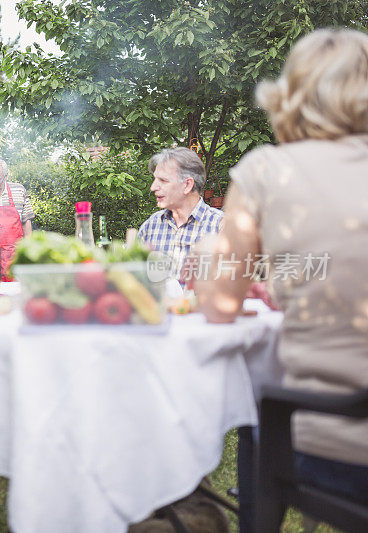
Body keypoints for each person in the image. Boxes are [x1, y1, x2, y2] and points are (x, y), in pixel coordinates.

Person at [195, 28, 368, 526]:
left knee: (257, 415)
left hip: (337, 449)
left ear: (292, 95)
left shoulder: (267, 171)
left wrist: (211, 252)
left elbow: (219, 309)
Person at [137, 147, 223, 277]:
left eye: (163, 180)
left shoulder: (220, 226)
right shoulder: (150, 226)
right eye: (154, 179)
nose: (153, 187)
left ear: (187, 185)